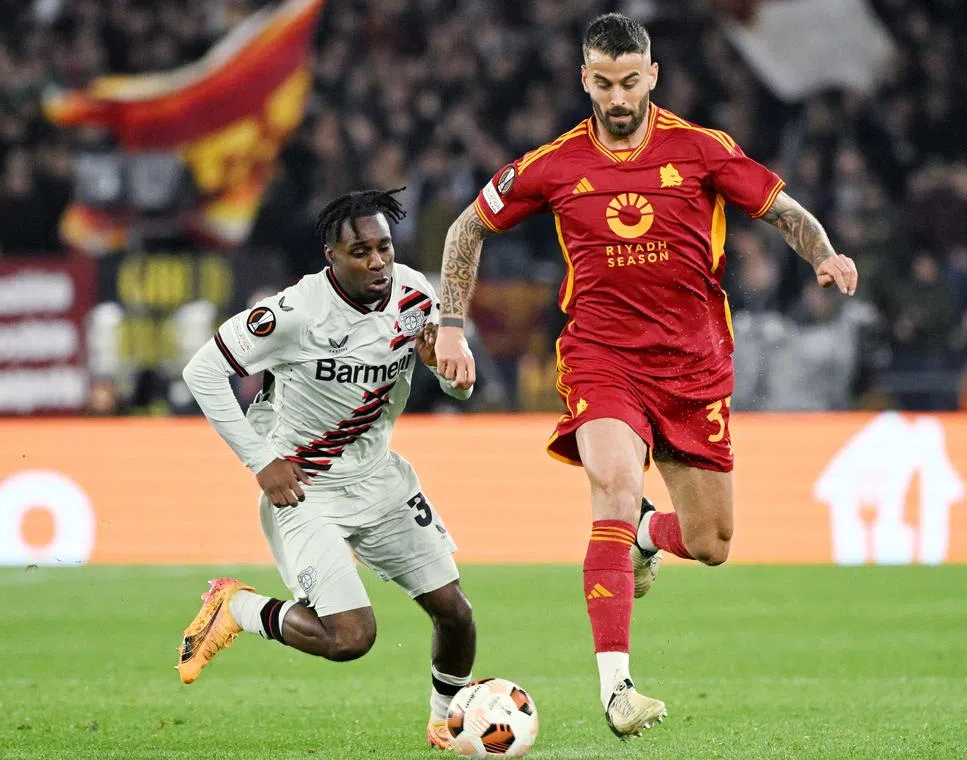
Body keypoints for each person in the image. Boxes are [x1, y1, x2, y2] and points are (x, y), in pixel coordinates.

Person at [434, 13, 858, 739]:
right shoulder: (554, 164)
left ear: (652, 76)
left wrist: (823, 253)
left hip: (695, 367)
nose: (618, 96)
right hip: (604, 358)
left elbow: (782, 210)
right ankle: (616, 689)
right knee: (612, 489)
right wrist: (449, 323)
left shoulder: (700, 150)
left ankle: (647, 538)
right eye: (603, 83)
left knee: (714, 542)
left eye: (630, 81)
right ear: (585, 80)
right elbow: (465, 229)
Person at [179, 188, 476, 750]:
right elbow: (202, 372)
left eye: (384, 248)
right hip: (305, 489)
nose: (377, 262)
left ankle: (445, 723)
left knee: (455, 614)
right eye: (361, 251)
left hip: (380, 478)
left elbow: (460, 388)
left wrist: (449, 374)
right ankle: (237, 606)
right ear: (331, 256)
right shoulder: (295, 313)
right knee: (350, 637)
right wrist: (260, 459)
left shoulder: (416, 297)